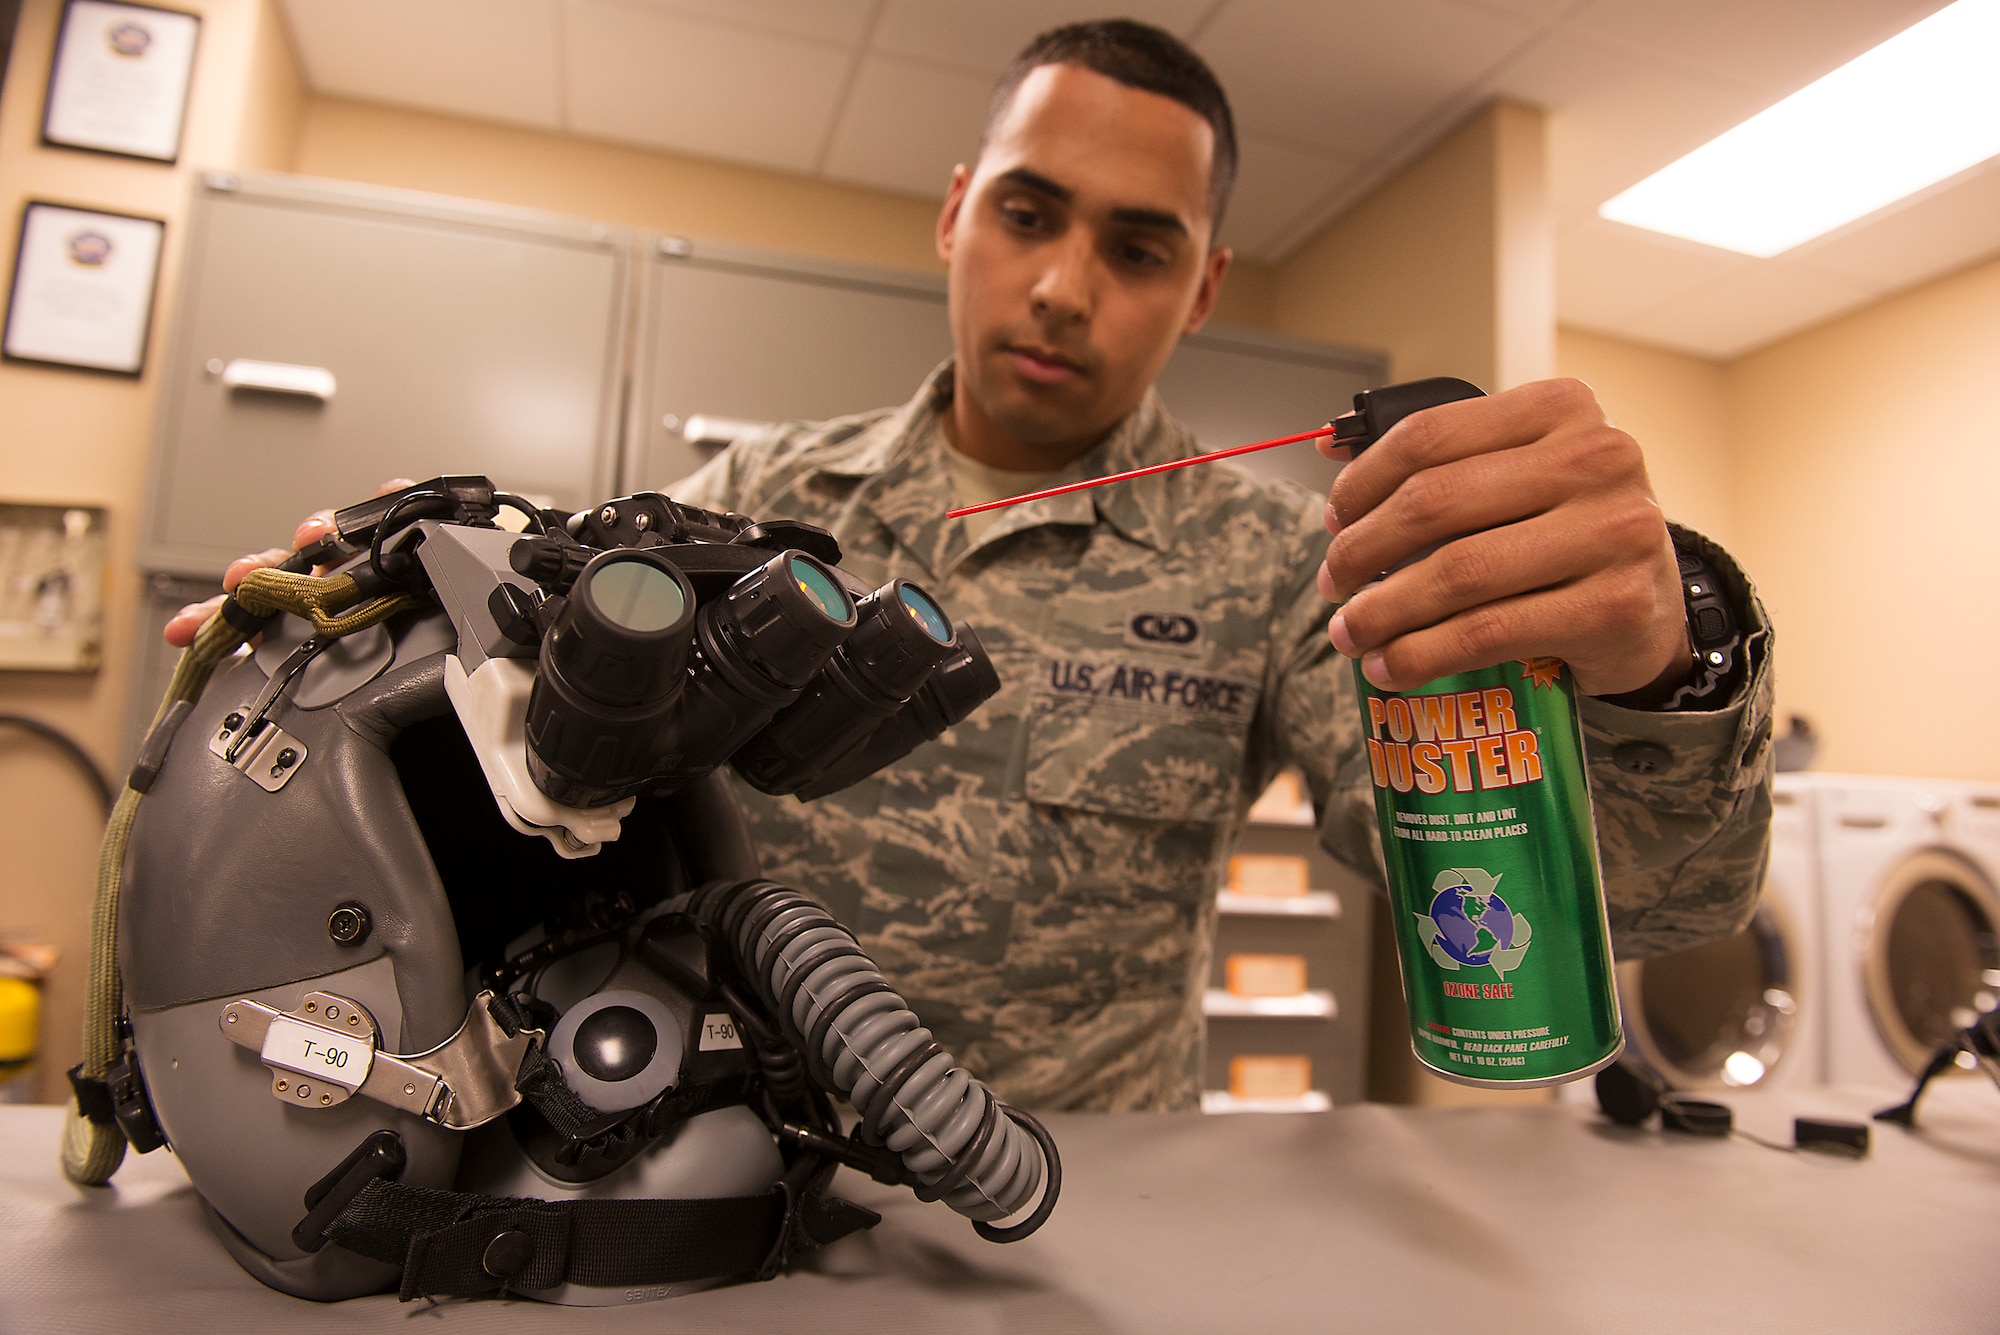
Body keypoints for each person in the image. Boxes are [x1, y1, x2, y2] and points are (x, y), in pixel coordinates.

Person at [169, 21, 1773, 1113]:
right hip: (728, 1163)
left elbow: (1643, 904)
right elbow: (534, 739)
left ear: (1204, 288)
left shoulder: (1282, 564)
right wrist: (363, 627)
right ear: (956, 216)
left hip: (1080, 1212)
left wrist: (1673, 660)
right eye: (1028, 214)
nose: (1065, 288)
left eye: (1137, 248)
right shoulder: (760, 500)